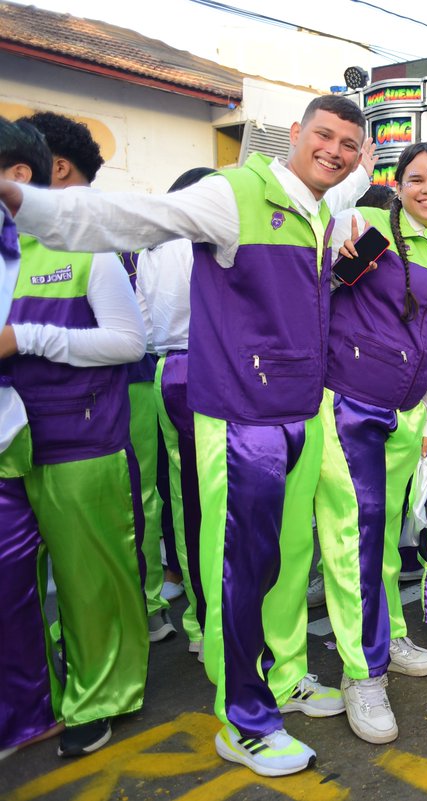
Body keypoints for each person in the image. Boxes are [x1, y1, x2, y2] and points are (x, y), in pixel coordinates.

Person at [0, 94, 372, 776]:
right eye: (325, 135)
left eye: (349, 142)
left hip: (299, 413)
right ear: (294, 135)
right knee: (238, 569)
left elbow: (354, 180)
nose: (336, 150)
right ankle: (245, 719)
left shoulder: (323, 207)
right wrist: (22, 198)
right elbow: (132, 216)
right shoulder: (233, 195)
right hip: (240, 421)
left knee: (285, 564)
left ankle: (283, 677)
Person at [0, 115, 149, 757]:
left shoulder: (82, 245)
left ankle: (99, 698)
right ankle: (27, 709)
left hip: (79, 440)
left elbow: (128, 341)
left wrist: (26, 339)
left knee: (90, 584)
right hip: (10, 449)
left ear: (18, 177)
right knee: (13, 591)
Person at [315, 142, 427, 744]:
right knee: (354, 533)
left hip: (406, 419)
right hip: (346, 402)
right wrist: (352, 186)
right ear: (396, 184)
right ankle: (362, 671)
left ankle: (388, 631)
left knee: (383, 540)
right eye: (415, 178)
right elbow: (322, 238)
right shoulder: (366, 222)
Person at [19, 111, 176, 642]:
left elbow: (134, 328)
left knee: (131, 499)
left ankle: (136, 609)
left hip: (120, 383)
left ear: (56, 167)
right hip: (49, 401)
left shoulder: (92, 225)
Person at [0, 117, 64, 756]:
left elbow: (131, 338)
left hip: (27, 438)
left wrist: (26, 339)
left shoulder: (52, 250)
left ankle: (25, 714)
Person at [137, 166, 218, 662]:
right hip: (208, 367)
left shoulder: (153, 248)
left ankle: (201, 621)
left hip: (165, 370)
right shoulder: (201, 239)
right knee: (217, 502)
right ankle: (210, 621)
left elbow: (145, 326)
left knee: (187, 501)